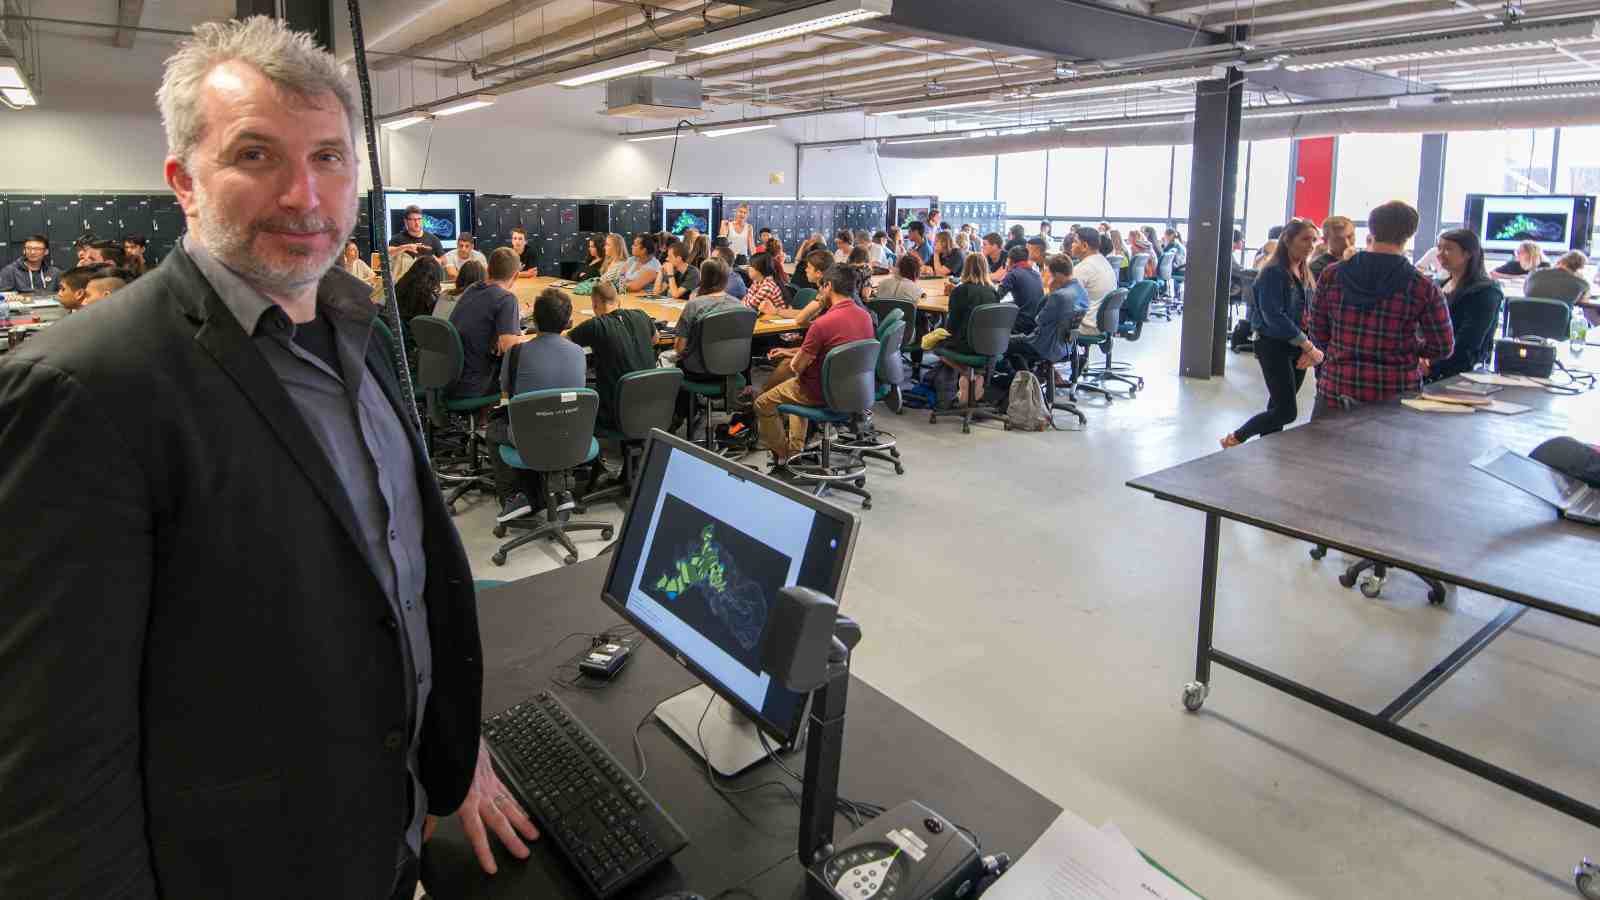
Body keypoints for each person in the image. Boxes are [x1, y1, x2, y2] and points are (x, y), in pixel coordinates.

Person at [0, 18, 528, 899]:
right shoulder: (83, 387)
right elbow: (54, 765)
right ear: (183, 180)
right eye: (256, 155)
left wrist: (453, 751)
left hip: (387, 836)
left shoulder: (362, 326)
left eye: (329, 157)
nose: (303, 195)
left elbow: (394, 577)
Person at [1305, 200, 1454, 413]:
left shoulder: (1332, 274)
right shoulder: (1422, 286)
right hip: (1395, 391)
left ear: (1371, 230)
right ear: (1409, 234)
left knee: (1323, 447)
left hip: (1337, 386)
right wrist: (1411, 347)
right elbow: (1443, 346)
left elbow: (1317, 329)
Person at [756, 264, 874, 468]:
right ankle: (795, 450)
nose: (819, 293)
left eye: (821, 288)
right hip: (853, 390)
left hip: (819, 393)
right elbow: (832, 351)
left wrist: (793, 357)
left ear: (828, 286)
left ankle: (784, 456)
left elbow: (797, 367)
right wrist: (792, 352)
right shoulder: (865, 317)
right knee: (795, 388)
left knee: (763, 402)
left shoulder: (822, 324)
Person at [1221, 220, 1323, 448]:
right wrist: (1308, 346)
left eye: (1314, 240)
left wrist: (1307, 345)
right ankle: (1237, 438)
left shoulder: (1303, 270)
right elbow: (1274, 317)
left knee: (1278, 406)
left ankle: (1267, 451)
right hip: (1274, 345)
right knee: (1287, 412)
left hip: (1297, 346)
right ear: (1288, 240)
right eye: (1305, 239)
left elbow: (1308, 312)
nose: (1311, 245)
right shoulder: (1273, 273)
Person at [568, 280, 655, 433]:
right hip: (652, 405)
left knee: (578, 392)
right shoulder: (641, 315)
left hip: (614, 413)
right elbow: (656, 339)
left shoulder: (595, 325)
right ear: (619, 301)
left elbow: (563, 344)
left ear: (595, 305)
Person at [673, 257, 744, 425]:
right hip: (731, 371)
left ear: (702, 278)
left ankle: (677, 417)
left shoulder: (695, 305)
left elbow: (680, 348)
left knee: (668, 361)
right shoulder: (739, 305)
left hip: (698, 371)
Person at [449, 247, 526, 401]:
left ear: (488, 269)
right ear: (516, 275)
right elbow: (510, 349)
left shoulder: (472, 288)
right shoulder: (506, 299)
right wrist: (520, 337)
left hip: (450, 377)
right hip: (474, 384)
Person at [1428, 228, 1503, 382]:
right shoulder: (1437, 285)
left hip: (1458, 374)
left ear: (1468, 253)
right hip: (1430, 367)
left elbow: (1468, 342)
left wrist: (1430, 365)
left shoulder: (1485, 292)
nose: (1440, 254)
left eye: (1448, 249)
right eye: (1439, 247)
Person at [1006, 253, 1086, 377]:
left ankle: (1025, 383)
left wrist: (1051, 292)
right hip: (1066, 345)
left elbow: (1038, 320)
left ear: (1058, 275)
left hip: (1044, 346)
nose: (1048, 275)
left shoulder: (1058, 296)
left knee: (1004, 343)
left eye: (1050, 273)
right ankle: (1031, 377)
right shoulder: (1081, 290)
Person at [944, 252, 998, 357]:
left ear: (966, 268)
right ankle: (964, 372)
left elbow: (952, 326)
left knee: (933, 340)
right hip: (989, 344)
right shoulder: (993, 292)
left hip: (966, 345)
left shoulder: (960, 291)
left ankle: (959, 371)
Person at [1069, 225, 1117, 337]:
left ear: (1084, 246)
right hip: (1102, 323)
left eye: (1075, 242)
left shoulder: (1083, 268)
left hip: (1086, 326)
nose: (1071, 245)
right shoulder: (1103, 261)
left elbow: (1066, 298)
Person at [995, 245, 1044, 333]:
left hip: (1022, 324)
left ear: (1010, 260)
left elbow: (997, 297)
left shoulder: (1013, 274)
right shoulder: (1037, 274)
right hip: (1036, 323)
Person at [1524, 249, 1591, 307]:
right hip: (1558, 320)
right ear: (1580, 269)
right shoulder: (1583, 284)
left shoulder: (1533, 274)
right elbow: (1584, 304)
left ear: (1560, 260)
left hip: (1526, 318)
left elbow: (1526, 292)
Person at [394, 254, 442, 321]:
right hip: (417, 329)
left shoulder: (398, 286)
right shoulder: (429, 299)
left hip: (401, 327)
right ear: (434, 277)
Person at [1310, 215, 1354, 280]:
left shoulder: (1361, 261)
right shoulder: (1316, 268)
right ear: (1325, 240)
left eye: (1350, 237)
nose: (1347, 244)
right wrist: (1347, 262)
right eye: (1339, 239)